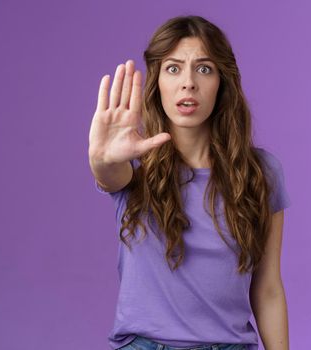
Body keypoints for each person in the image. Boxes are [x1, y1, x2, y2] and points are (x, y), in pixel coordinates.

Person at [88, 15, 292, 350]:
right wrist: (102, 158)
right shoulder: (134, 169)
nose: (188, 83)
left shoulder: (261, 173)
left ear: (222, 82)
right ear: (157, 82)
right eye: (173, 68)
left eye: (204, 68)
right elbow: (108, 174)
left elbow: (268, 288)